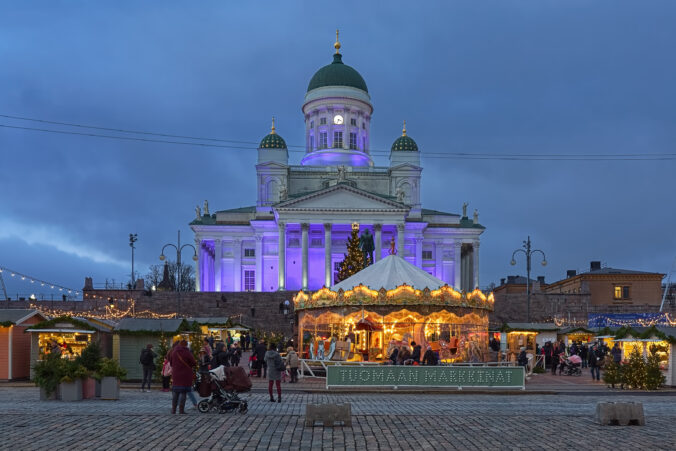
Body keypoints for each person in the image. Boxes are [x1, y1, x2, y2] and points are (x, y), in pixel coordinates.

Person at [168, 340, 196, 414]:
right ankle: (181, 410)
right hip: (185, 375)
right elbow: (194, 362)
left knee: (175, 392)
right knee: (183, 392)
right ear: (186, 345)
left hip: (176, 374)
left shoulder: (174, 352)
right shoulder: (187, 352)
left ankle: (173, 410)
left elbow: (170, 362)